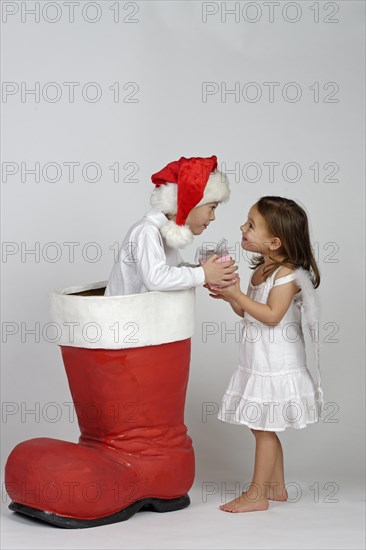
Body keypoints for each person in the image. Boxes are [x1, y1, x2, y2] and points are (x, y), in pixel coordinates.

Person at [205, 195, 325, 513]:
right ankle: (277, 487)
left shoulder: (287, 275)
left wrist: (236, 295)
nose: (242, 227)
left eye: (251, 225)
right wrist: (229, 296)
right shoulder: (264, 270)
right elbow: (250, 313)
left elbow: (272, 315)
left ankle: (257, 494)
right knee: (264, 425)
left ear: (274, 241)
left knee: (262, 426)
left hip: (276, 364)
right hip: (258, 360)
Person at [104, 155, 238, 296]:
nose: (213, 217)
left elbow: (174, 269)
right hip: (124, 316)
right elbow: (155, 279)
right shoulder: (147, 231)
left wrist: (205, 270)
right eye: (212, 207)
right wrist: (202, 274)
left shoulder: (163, 231)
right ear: (190, 204)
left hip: (142, 315)